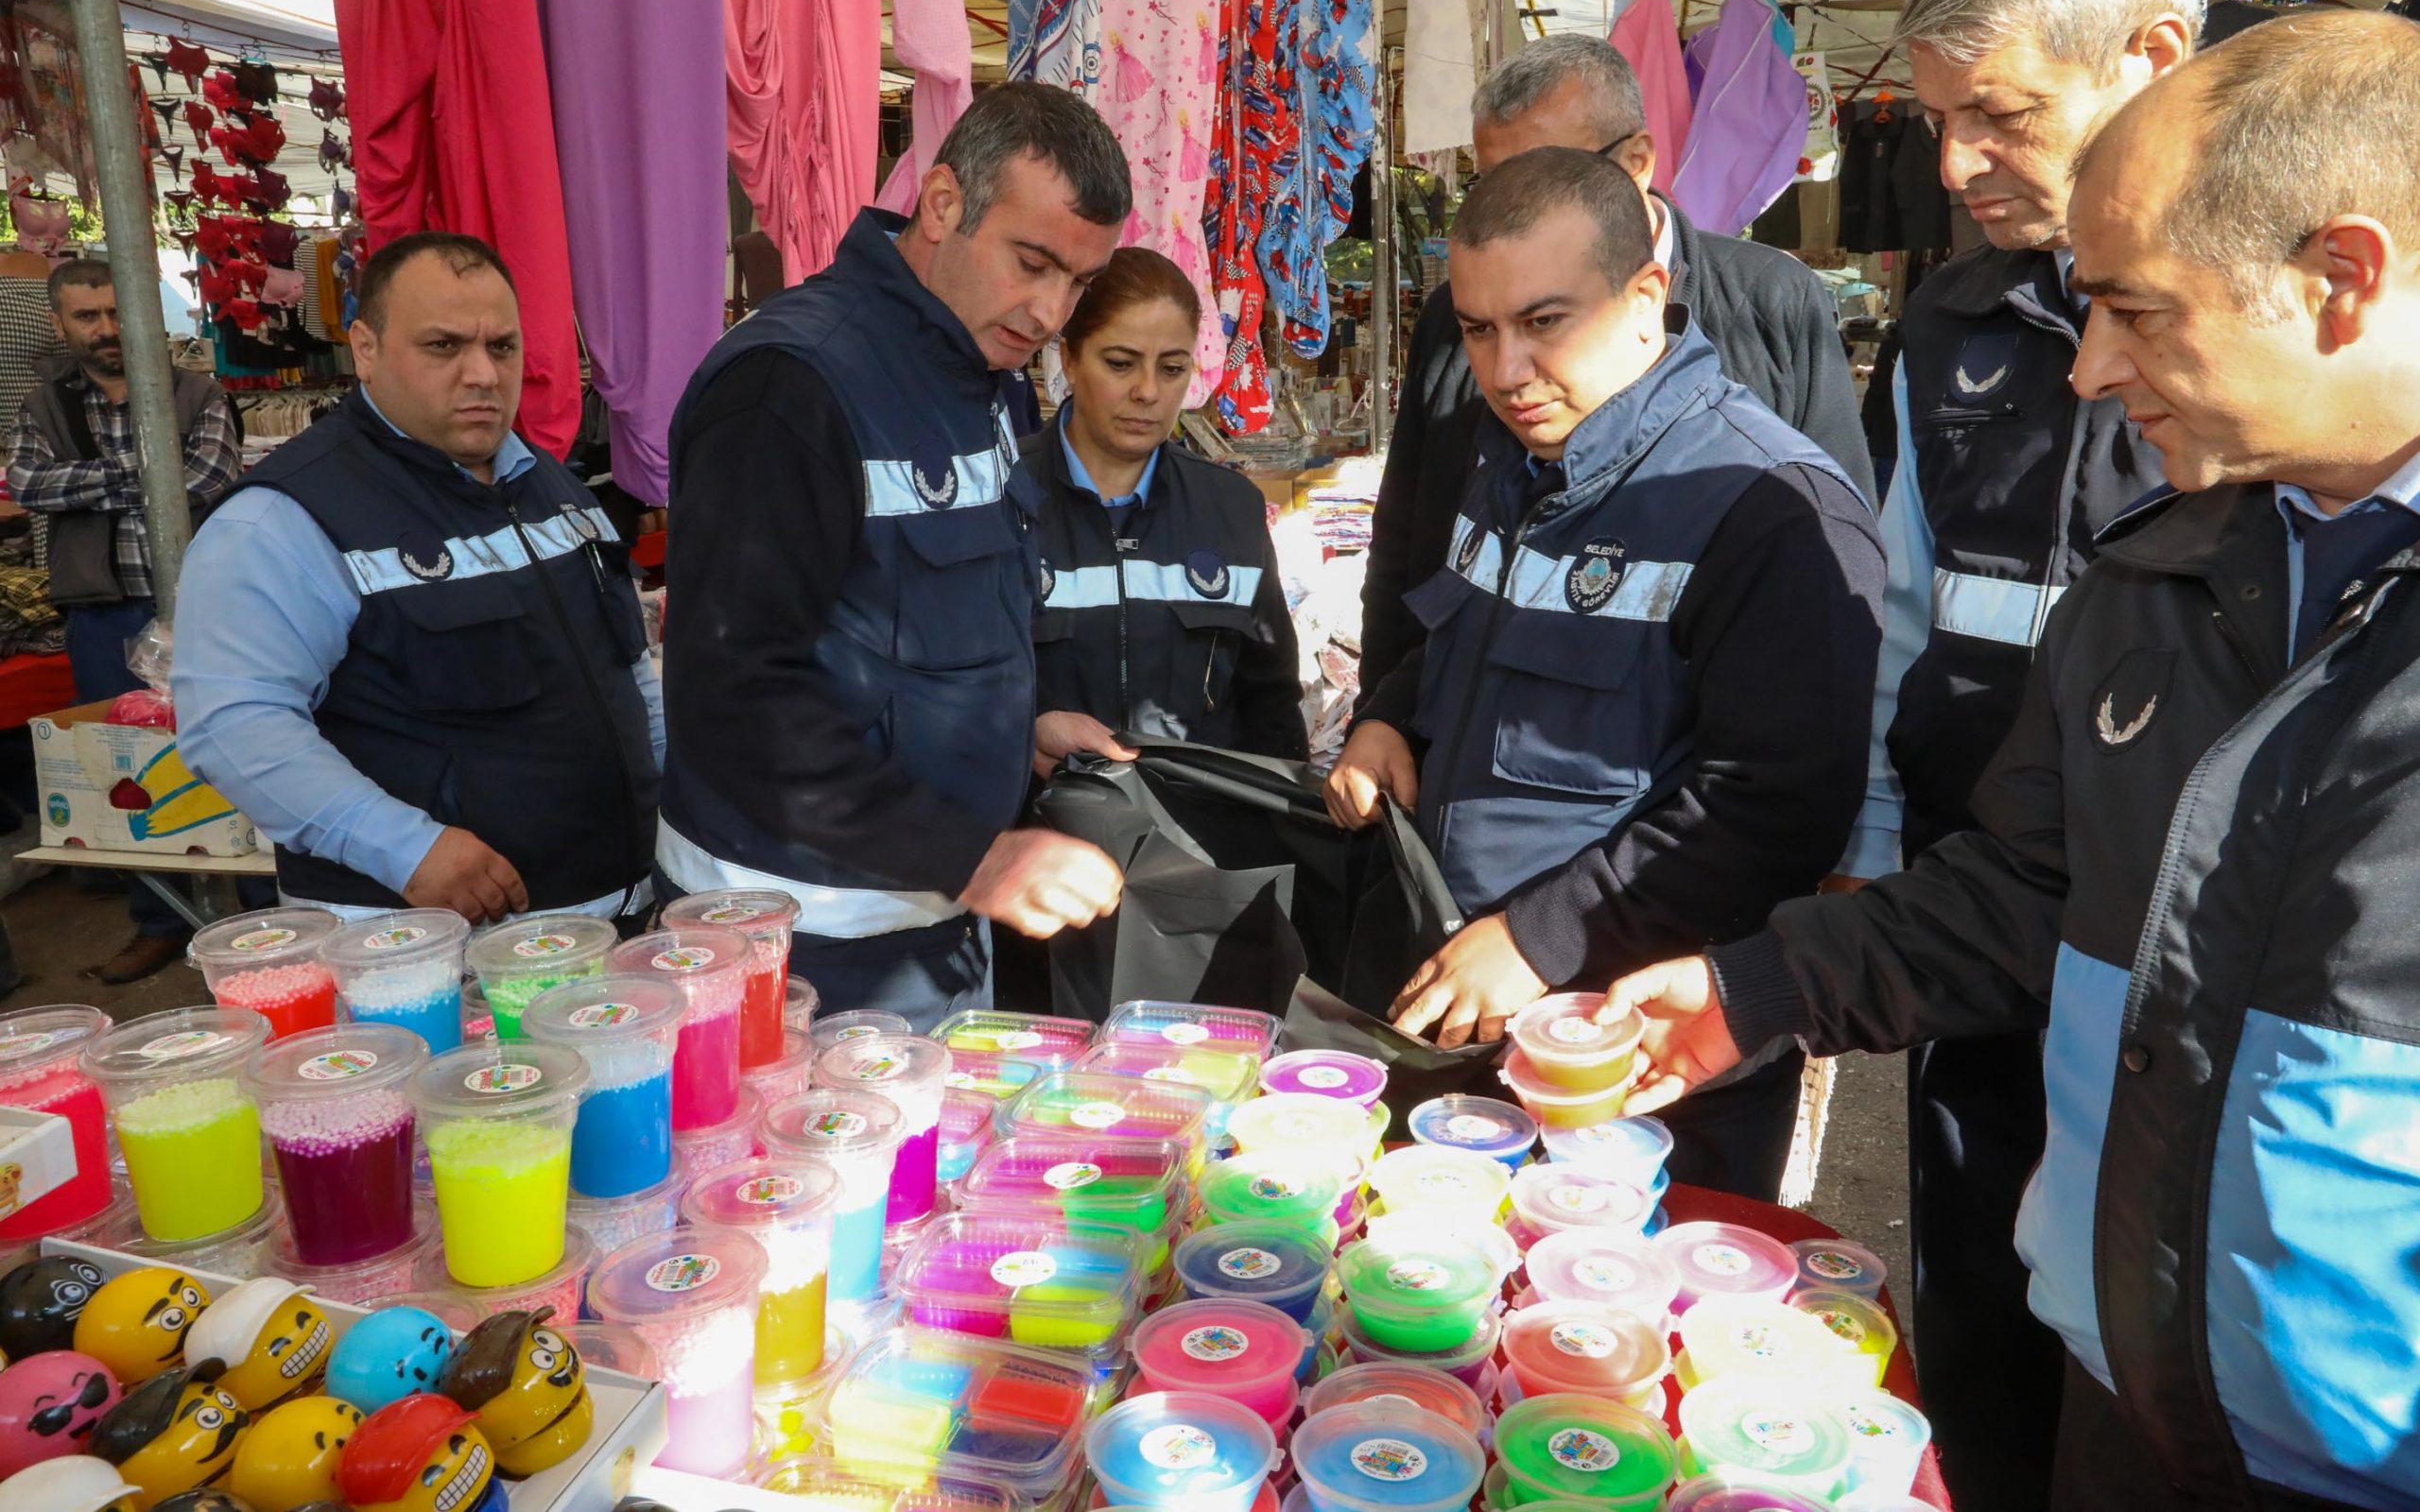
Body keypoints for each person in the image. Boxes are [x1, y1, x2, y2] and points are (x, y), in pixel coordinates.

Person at [1604, 9, 2420, 1510]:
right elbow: (2036, 884)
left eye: (2135, 310)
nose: (2091, 368)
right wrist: (1756, 989)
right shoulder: (2153, 580)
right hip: (2123, 1404)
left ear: (2342, 278)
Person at [1827, 0, 2198, 1500]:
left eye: (2002, 115)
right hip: (1975, 890)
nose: (1958, 162)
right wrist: (1872, 834)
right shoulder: (1948, 322)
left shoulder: (2281, 328)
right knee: (1978, 1279)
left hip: (2177, 926)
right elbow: (1899, 597)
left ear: (2151, 60)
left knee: (2154, 1334)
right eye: (1938, 120)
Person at [1324, 148, 1884, 1200]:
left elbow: (1776, 810)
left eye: (1544, 322)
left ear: (1644, 298)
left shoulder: (1771, 506)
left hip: (1645, 1069)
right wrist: (1391, 717)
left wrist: (1540, 938)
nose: (1505, 370)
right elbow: (1459, 633)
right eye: (1477, 330)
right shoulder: (1513, 455)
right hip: (1470, 1020)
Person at [659, 84, 1132, 1032]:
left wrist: (1019, 727)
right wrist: (975, 857)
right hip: (798, 942)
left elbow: (924, 624)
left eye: (1078, 284)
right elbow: (734, 697)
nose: (1050, 312)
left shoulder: (983, 372)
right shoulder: (789, 383)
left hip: (938, 921)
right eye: (1032, 263)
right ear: (944, 203)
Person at [1361, 33, 1873, 698]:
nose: (1509, 368)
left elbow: (1834, 556)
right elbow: (1405, 539)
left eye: (1550, 178)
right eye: (1494, 186)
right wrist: (1383, 713)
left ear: (1636, 161)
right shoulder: (1452, 320)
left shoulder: (1770, 303)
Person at [173, 232, 660, 926]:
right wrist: (406, 848)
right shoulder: (282, 518)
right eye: (443, 345)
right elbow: (234, 726)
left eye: (502, 346)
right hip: (428, 947)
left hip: (609, 917)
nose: (483, 373)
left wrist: (675, 790)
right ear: (365, 349)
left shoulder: (549, 485)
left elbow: (628, 670)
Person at [9, 257, 240, 979]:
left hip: (205, 606)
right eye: (88, 316)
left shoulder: (196, 390)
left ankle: (261, 908)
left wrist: (93, 484)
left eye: (117, 312)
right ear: (60, 324)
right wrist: (144, 473)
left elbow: (209, 476)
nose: (107, 329)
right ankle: (160, 919)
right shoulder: (44, 405)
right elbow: (28, 482)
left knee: (235, 748)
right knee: (128, 767)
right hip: (104, 614)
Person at [1029, 247, 1305, 762]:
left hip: (1200, 813)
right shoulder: (999, 496)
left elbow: (1271, 707)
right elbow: (946, 689)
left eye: (1173, 368)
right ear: (1068, 358)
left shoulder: (1231, 510)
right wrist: (1024, 735)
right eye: (1120, 364)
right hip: (1038, 810)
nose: (1148, 391)